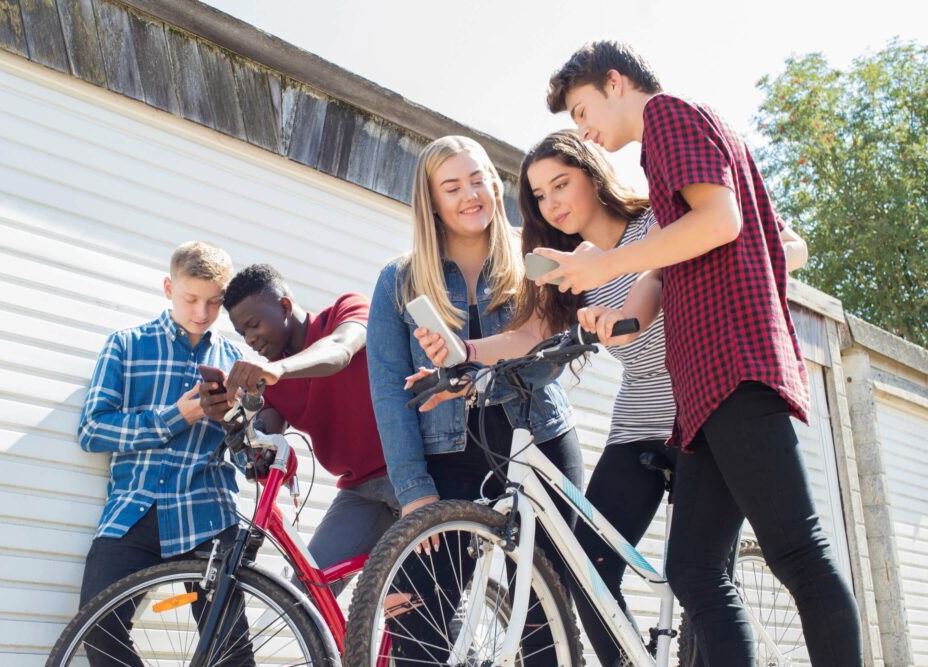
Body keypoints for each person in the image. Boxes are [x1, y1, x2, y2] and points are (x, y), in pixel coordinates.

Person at [538, 40, 861, 666]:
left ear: (614, 82)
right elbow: (687, 253)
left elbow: (721, 222)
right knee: (693, 569)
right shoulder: (678, 142)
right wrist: (618, 295)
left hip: (734, 366)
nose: (585, 131)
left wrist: (608, 262)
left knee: (798, 553)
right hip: (705, 392)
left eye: (581, 111)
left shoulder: (668, 115)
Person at [366, 135, 584, 665]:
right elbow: (390, 393)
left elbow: (552, 348)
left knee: (541, 618)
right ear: (432, 199)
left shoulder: (532, 260)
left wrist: (473, 357)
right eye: (452, 186)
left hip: (537, 442)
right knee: (418, 619)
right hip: (447, 463)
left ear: (494, 182)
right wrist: (415, 492)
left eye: (477, 179)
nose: (469, 195)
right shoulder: (399, 280)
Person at [77, 241, 251, 666]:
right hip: (135, 510)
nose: (201, 313)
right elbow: (92, 430)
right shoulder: (126, 345)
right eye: (191, 299)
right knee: (97, 631)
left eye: (213, 303)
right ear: (168, 288)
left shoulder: (233, 360)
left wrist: (237, 424)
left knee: (231, 653)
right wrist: (176, 416)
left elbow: (248, 460)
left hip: (207, 512)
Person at [199, 264, 398, 593]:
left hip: (412, 473)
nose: (250, 340)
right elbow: (264, 446)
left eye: (254, 325)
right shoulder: (273, 383)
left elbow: (340, 350)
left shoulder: (346, 310)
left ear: (285, 307)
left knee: (418, 598)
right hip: (361, 490)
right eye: (242, 333)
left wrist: (276, 370)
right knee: (305, 595)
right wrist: (228, 418)